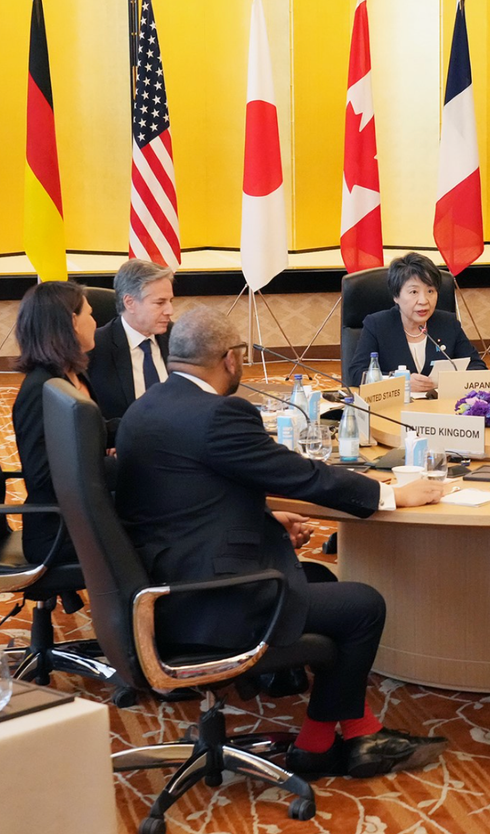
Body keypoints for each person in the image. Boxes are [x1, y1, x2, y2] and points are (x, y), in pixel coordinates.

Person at [115, 306, 449, 778]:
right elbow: (301, 475)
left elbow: (185, 494)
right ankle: (316, 744)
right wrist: (391, 494)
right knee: (363, 605)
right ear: (231, 359)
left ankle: (359, 731)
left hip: (164, 582)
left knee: (315, 576)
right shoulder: (219, 413)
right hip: (211, 601)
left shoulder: (146, 407)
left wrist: (267, 517)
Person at [12, 281, 107, 565]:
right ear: (72, 322)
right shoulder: (40, 390)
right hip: (58, 531)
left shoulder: (73, 376)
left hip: (84, 515)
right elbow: (42, 477)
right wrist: (111, 464)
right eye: (90, 314)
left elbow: (94, 431)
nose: (95, 322)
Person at [345, 252, 486, 390]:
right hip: (394, 408)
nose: (424, 301)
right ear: (396, 296)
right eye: (414, 292)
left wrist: (445, 381)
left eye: (430, 291)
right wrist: (399, 381)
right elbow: (357, 374)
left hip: (439, 408)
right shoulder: (377, 325)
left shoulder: (448, 324)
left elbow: (478, 368)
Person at [86, 258, 174, 422]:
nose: (170, 310)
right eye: (160, 302)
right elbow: (85, 417)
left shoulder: (177, 338)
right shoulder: (95, 348)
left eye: (170, 301)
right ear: (130, 303)